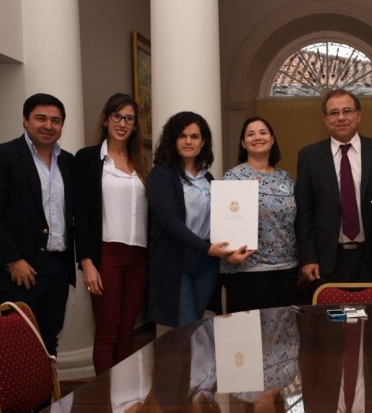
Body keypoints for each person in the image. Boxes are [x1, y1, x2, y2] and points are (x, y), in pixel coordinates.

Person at [0, 93, 75, 355]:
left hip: (58, 267)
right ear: (25, 120)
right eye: (41, 118)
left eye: (55, 120)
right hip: (20, 269)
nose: (48, 125)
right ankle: (24, 386)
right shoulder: (1, 156)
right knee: (20, 345)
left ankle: (49, 385)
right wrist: (12, 260)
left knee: (49, 339)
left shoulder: (68, 162)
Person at [146, 111, 252, 328]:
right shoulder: (161, 174)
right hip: (177, 260)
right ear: (172, 140)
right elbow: (170, 222)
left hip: (207, 262)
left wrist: (230, 249)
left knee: (197, 322)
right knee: (187, 325)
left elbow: (220, 219)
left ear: (203, 142)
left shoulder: (207, 177)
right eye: (182, 136)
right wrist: (207, 249)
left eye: (194, 136)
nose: (188, 141)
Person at [74, 93, 150, 375]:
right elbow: (81, 214)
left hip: (139, 256)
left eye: (129, 118)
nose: (122, 123)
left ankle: (124, 396)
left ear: (135, 125)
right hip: (106, 254)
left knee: (128, 329)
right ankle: (105, 398)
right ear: (105, 120)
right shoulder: (89, 159)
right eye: (117, 116)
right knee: (108, 331)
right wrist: (86, 261)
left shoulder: (141, 163)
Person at [295, 88, 372, 290]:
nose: (341, 117)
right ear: (325, 119)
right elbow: (305, 213)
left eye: (347, 111)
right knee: (329, 311)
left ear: (358, 115)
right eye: (334, 113)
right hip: (327, 260)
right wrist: (308, 257)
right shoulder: (309, 157)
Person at [220, 117, 298, 312]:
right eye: (250, 134)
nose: (257, 137)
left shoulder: (286, 178)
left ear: (272, 139)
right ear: (243, 143)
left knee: (283, 326)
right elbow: (225, 224)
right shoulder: (234, 177)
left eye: (263, 132)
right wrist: (229, 255)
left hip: (287, 268)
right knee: (253, 329)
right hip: (249, 270)